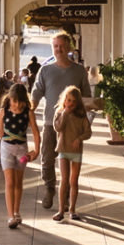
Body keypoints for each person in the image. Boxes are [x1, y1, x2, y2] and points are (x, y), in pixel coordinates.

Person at [29, 31, 93, 208]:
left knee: (69, 163)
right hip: (50, 123)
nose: (59, 49)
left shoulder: (79, 71)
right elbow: (36, 93)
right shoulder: (46, 70)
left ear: (69, 48)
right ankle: (50, 189)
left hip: (72, 128)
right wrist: (27, 112)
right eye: (56, 46)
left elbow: (86, 97)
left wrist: (85, 120)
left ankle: (65, 199)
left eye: (62, 46)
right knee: (47, 159)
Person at [0, 82, 40, 228]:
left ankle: (17, 211)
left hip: (22, 150)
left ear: (25, 100)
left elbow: (35, 132)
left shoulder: (28, 112)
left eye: (19, 102)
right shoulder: (3, 111)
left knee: (18, 182)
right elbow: (0, 132)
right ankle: (10, 216)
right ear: (9, 98)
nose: (16, 105)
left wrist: (36, 150)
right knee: (9, 182)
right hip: (6, 149)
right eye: (14, 101)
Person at [51, 85, 91, 221]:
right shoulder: (60, 112)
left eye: (73, 101)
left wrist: (79, 138)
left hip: (76, 152)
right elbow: (58, 128)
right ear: (64, 100)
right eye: (68, 100)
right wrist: (64, 114)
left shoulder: (81, 115)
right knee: (64, 180)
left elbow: (88, 132)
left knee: (74, 181)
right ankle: (61, 210)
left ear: (77, 102)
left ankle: (72, 209)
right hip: (63, 149)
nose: (70, 104)